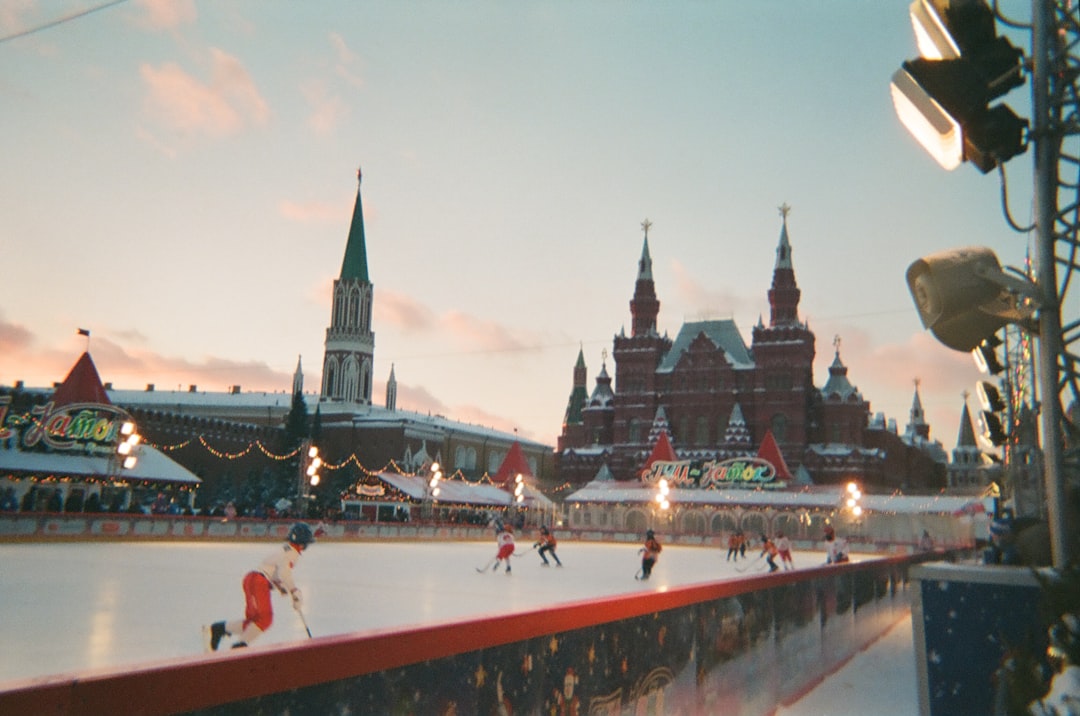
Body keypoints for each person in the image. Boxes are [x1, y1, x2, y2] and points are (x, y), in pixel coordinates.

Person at [203, 522, 314, 651]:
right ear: (302, 542)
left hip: (254, 580)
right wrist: (294, 591)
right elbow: (284, 573)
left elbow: (276, 572)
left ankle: (218, 629)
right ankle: (240, 646)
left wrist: (282, 588)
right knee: (265, 618)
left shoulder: (287, 549)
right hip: (258, 581)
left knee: (254, 622)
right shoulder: (292, 553)